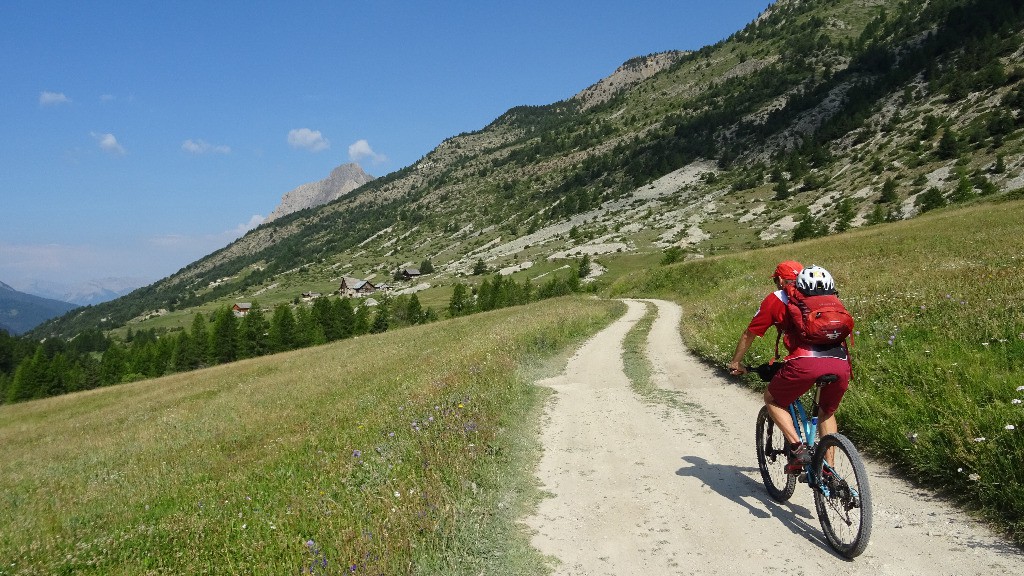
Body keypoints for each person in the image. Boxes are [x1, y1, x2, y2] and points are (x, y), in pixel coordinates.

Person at [728, 262, 852, 473]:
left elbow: (750, 334)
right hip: (840, 362)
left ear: (780, 280)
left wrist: (736, 362)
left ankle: (798, 448)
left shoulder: (776, 299)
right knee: (826, 412)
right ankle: (829, 471)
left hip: (805, 362)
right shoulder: (825, 299)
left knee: (772, 399)